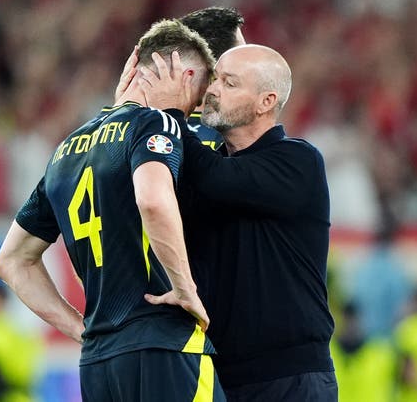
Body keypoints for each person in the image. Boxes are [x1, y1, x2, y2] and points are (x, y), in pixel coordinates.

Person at [0, 19, 226, 402]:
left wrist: (82, 329)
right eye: (200, 96)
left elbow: (12, 261)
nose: (196, 111)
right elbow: (151, 199)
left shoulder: (67, 149)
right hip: (162, 343)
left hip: (99, 361)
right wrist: (186, 289)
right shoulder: (157, 123)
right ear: (185, 75)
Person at [138, 44, 338, 401]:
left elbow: (216, 178)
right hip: (216, 375)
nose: (212, 89)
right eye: (214, 79)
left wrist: (168, 113)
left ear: (266, 102)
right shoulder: (205, 165)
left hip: (290, 377)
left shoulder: (297, 160)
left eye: (229, 84)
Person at [116, 6, 246, 150]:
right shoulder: (238, 139)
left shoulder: (129, 130)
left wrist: (121, 112)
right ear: (217, 72)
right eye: (242, 57)